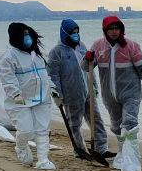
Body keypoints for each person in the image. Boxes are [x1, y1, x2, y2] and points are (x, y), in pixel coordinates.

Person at [83, 14, 142, 166]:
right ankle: (122, 154)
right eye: (111, 29)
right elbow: (85, 68)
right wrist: (86, 58)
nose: (114, 32)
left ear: (122, 30)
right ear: (105, 30)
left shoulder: (131, 46)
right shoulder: (98, 46)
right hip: (109, 95)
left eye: (117, 28)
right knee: (116, 126)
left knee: (129, 124)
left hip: (131, 94)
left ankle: (132, 159)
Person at [47, 18, 109, 162]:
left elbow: (89, 66)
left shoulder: (81, 46)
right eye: (72, 33)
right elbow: (52, 75)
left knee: (96, 120)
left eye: (77, 32)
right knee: (75, 123)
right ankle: (79, 149)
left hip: (87, 91)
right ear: (64, 34)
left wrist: (94, 86)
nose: (75, 35)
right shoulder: (56, 52)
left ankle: (101, 148)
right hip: (71, 94)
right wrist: (57, 94)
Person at [0, 22, 55, 170]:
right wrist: (15, 94)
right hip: (20, 101)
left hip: (42, 98)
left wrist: (52, 89)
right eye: (24, 35)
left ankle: (43, 159)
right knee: (26, 130)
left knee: (42, 129)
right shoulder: (8, 57)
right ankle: (21, 147)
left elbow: (44, 75)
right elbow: (8, 79)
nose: (27, 38)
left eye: (28, 34)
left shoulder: (36, 55)